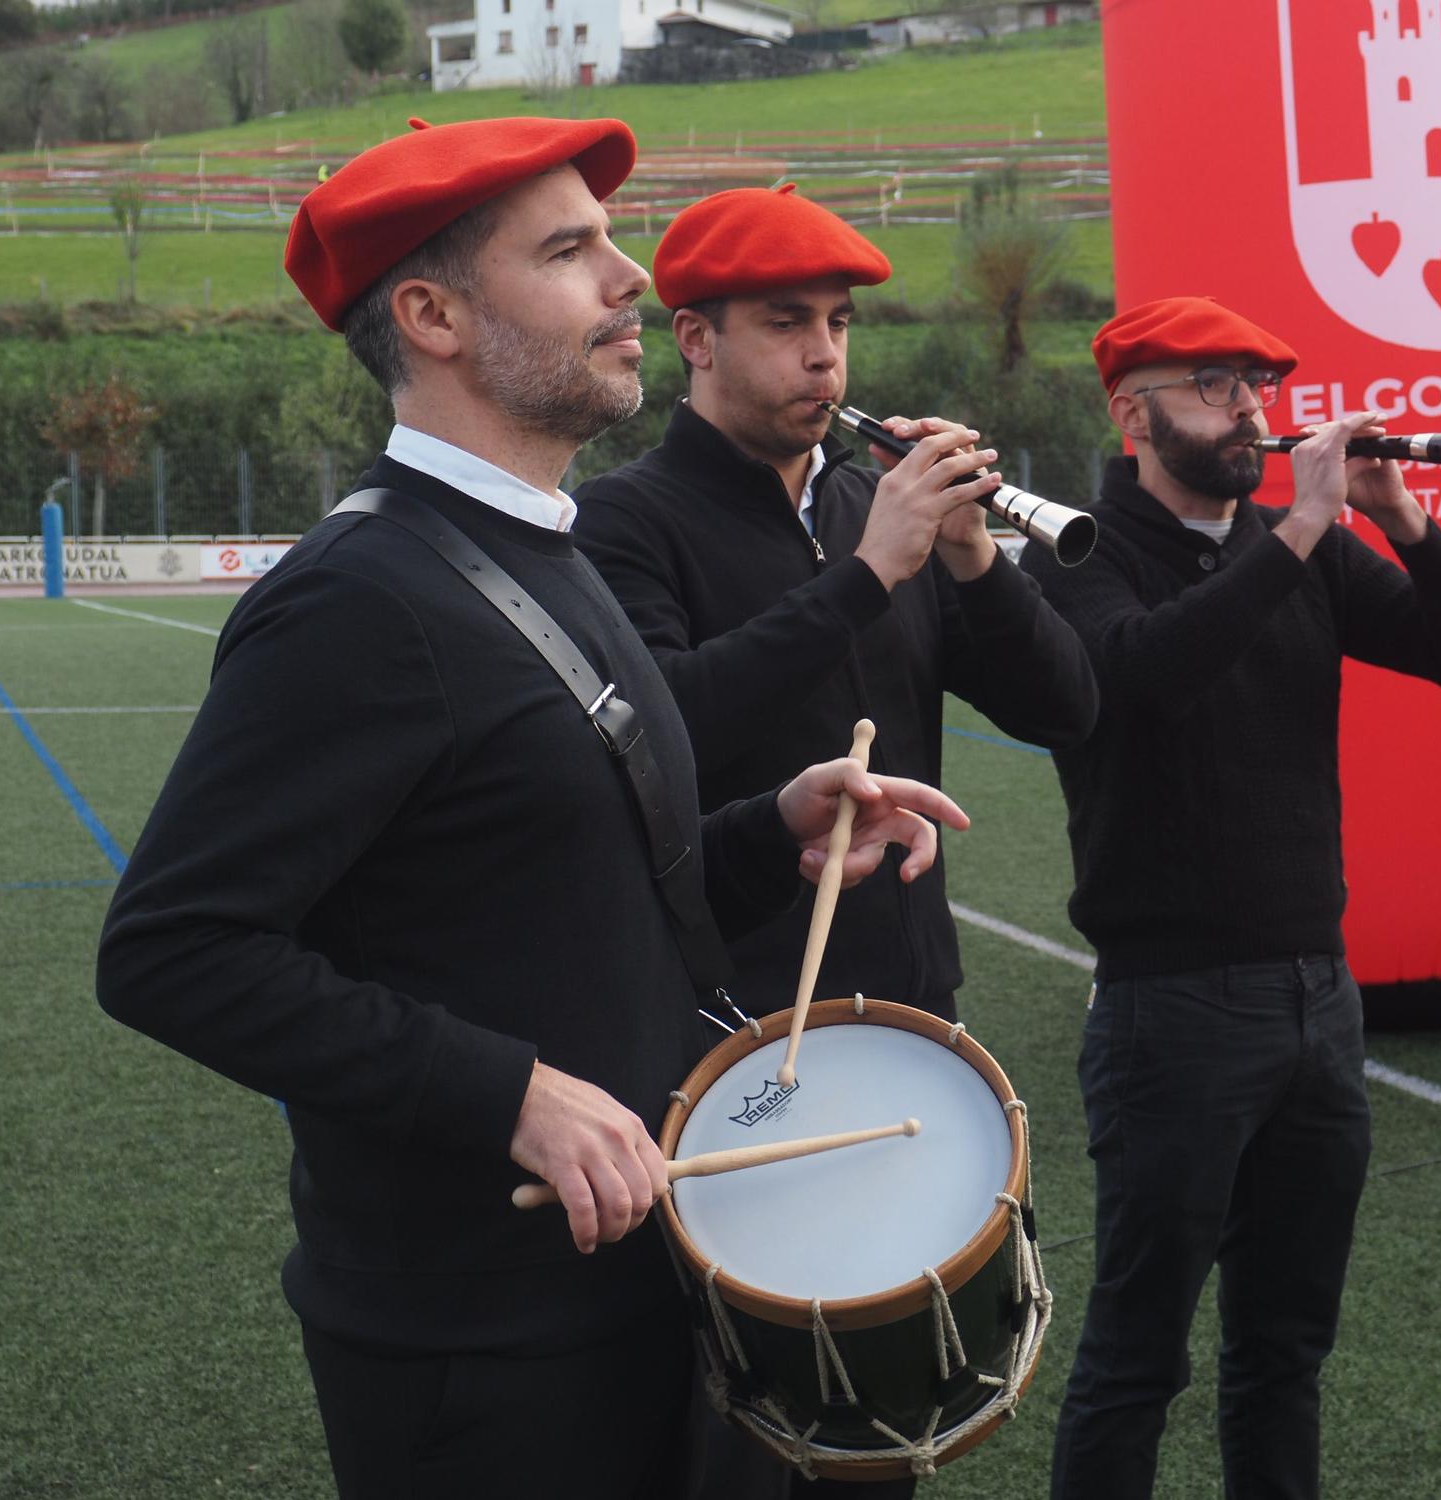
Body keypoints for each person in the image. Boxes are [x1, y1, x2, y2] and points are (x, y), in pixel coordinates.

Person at [93, 116, 970, 1500]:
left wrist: (770, 837)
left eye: (611, 243)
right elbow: (171, 949)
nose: (629, 279)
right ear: (433, 317)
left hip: (641, 1283)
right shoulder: (358, 598)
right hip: (480, 1341)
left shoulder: (540, 543)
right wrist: (501, 1091)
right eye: (571, 250)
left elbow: (572, 883)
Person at [1020, 296, 1441, 1500]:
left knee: (1284, 1350)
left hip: (1317, 995)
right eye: (1211, 383)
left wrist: (1400, 518)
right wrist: (1298, 526)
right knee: (1137, 1358)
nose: (1249, 408)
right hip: (1170, 1011)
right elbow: (1144, 677)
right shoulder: (1078, 550)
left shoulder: (1299, 546)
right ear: (1127, 410)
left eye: (1253, 383)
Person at [573, 184, 1098, 1028]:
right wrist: (866, 573)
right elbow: (665, 730)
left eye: (838, 323)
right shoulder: (623, 519)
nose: (825, 357)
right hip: (735, 1011)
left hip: (917, 1000)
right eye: (788, 325)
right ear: (698, 340)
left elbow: (1066, 709)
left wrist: (971, 555)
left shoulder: (877, 504)